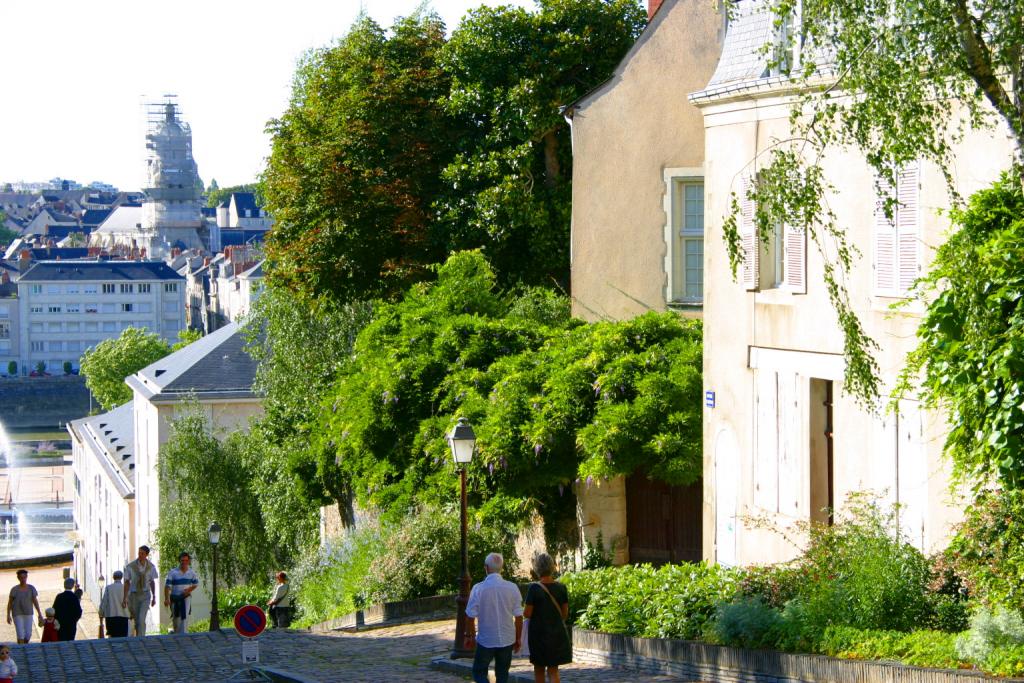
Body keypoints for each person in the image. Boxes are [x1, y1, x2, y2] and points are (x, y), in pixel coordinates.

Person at [465, 552, 523, 683]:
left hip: (486, 639)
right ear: (501, 568)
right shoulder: (512, 588)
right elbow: (519, 616)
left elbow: (470, 616)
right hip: (507, 638)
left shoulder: (478, 589)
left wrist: (471, 636)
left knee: (479, 671)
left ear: (486, 567)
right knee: (503, 674)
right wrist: (518, 638)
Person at [523, 553, 572, 683]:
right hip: (556, 633)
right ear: (552, 567)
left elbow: (527, 613)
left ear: (537, 568)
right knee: (553, 670)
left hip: (538, 635)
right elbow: (564, 614)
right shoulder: (561, 588)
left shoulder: (534, 588)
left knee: (539, 670)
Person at [123, 545, 158, 637]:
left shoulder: (151, 567)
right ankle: (138, 635)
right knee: (137, 619)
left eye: (142, 553)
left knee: (141, 619)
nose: (140, 555)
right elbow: (127, 582)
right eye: (139, 553)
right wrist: (125, 598)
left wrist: (154, 596)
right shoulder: (130, 567)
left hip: (145, 595)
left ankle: (141, 637)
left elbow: (152, 582)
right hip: (134, 596)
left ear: (146, 555)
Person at [164, 552, 199, 634]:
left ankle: (184, 636)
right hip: (175, 598)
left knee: (184, 617)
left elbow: (196, 584)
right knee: (176, 619)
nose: (184, 562)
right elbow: (167, 586)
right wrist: (166, 599)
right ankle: (177, 634)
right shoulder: (173, 572)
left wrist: (189, 590)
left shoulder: (191, 573)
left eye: (186, 560)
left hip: (185, 597)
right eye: (182, 560)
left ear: (188, 561)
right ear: (179, 561)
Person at [5, 569, 42, 644]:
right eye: (21, 577)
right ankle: (22, 649)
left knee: (28, 634)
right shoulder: (14, 589)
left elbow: (35, 601)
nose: (23, 579)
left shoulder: (31, 588)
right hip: (17, 614)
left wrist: (39, 613)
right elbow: (10, 603)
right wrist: (8, 615)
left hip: (28, 613)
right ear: (18, 578)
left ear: (27, 577)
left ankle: (22, 646)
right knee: (20, 634)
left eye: (24, 577)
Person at [99, 571, 130, 638]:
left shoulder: (109, 588)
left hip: (111, 617)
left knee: (112, 637)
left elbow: (104, 602)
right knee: (123, 637)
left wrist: (101, 613)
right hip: (123, 617)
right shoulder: (125, 588)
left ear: (113, 577)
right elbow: (129, 601)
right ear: (122, 577)